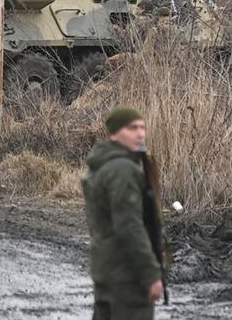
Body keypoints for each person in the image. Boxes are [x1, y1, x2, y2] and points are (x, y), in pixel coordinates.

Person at [82, 107, 165, 320]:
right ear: (114, 134)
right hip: (127, 276)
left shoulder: (102, 165)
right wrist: (150, 273)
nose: (140, 134)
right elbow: (129, 225)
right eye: (132, 128)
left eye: (142, 128)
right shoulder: (123, 170)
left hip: (106, 270)